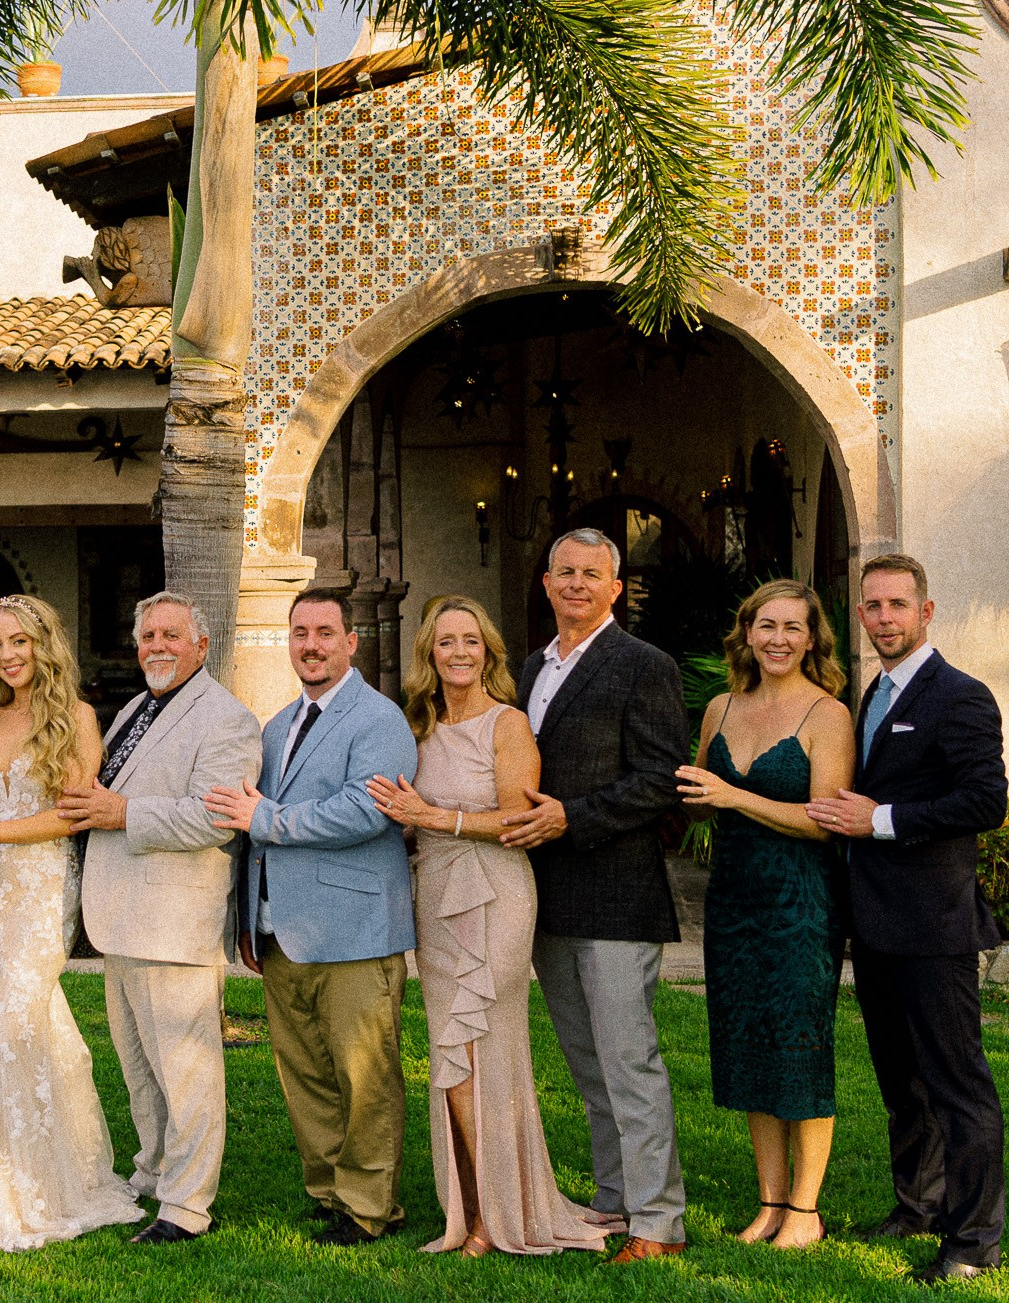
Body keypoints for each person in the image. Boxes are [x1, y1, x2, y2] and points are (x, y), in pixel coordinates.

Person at [367, 596, 625, 1258]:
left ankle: (498, 1216)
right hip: (436, 894)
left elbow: (518, 822)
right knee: (450, 1055)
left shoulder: (508, 725)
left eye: (470, 641)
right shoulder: (417, 730)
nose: (458, 651)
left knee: (487, 1044)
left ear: (489, 653)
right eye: (446, 641)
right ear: (430, 653)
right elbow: (402, 811)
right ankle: (475, 1205)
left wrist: (434, 816)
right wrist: (405, 819)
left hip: (497, 893)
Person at [0, 594, 145, 1249]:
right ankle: (6, 1180)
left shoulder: (75, 716)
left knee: (15, 1021)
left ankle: (40, 1187)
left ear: (45, 643)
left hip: (42, 886)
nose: (8, 654)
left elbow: (70, 815)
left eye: (20, 641)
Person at [807, 553, 1009, 1284]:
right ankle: (917, 1204)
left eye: (898, 604)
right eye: (873, 605)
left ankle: (973, 1243)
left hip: (935, 927)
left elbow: (987, 801)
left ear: (927, 611)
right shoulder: (873, 694)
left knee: (956, 1082)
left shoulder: (959, 695)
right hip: (879, 927)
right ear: (860, 615)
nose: (884, 617)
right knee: (902, 1082)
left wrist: (880, 818)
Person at [204, 588, 417, 1246]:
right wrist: (246, 913)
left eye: (326, 632)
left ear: (351, 641)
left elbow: (367, 811)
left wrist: (264, 818)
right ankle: (329, 1189)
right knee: (305, 1072)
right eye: (300, 632)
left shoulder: (378, 720)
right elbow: (250, 830)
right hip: (280, 931)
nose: (312, 644)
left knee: (364, 1073)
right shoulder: (277, 725)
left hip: (354, 930)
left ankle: (369, 1203)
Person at [501, 529, 690, 1264]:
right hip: (545, 897)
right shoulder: (531, 666)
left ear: (616, 588)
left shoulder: (645, 666)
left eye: (592, 573)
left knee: (629, 1060)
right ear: (546, 583)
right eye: (565, 572)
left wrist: (570, 817)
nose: (576, 583)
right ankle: (616, 1200)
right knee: (587, 1064)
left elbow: (660, 776)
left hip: (616, 896)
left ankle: (659, 1222)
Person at [60, 591, 263, 1245]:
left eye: (171, 634)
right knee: (140, 1064)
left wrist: (122, 814)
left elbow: (215, 816)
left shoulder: (225, 719)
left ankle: (187, 1207)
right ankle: (152, 1171)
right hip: (121, 918)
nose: (156, 645)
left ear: (201, 645)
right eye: (147, 633)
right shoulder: (134, 710)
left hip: (174, 923)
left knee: (186, 1070)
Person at [676, 580, 855, 1250]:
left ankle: (805, 1212)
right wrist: (690, 794)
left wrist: (730, 794)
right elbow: (704, 795)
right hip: (733, 899)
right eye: (766, 625)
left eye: (793, 627)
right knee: (748, 1041)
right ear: (746, 632)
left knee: (800, 1044)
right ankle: (769, 1200)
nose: (778, 639)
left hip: (800, 899)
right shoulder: (720, 707)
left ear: (813, 639)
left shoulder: (826, 714)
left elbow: (824, 819)